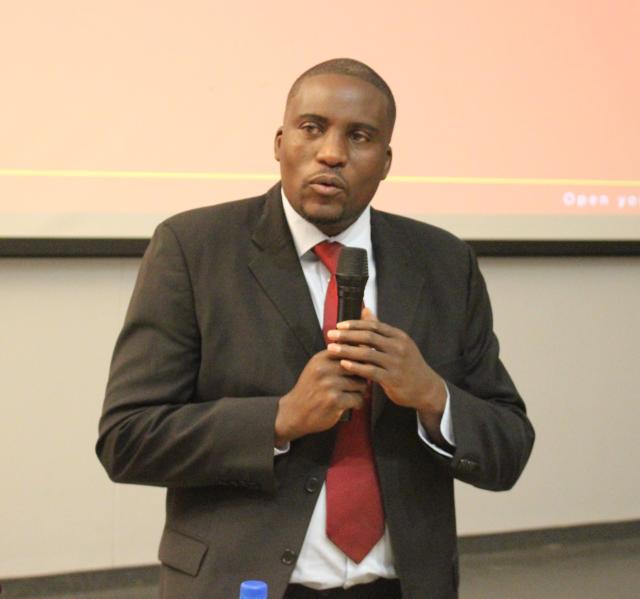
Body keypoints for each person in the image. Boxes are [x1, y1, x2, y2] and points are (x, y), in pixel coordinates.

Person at [96, 58, 534, 599]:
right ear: (279, 143)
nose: (332, 153)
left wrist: (431, 395)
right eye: (312, 128)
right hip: (246, 584)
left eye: (360, 136)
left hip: (402, 585)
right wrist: (277, 420)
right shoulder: (194, 248)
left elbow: (510, 447)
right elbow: (127, 439)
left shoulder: (443, 263)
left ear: (387, 160)